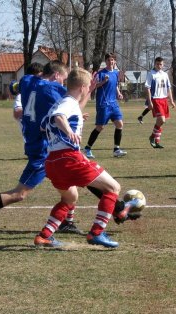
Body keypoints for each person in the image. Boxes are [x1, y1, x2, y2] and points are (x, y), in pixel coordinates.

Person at [0, 61, 85, 240]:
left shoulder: (27, 80)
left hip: (37, 145)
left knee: (73, 184)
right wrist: (90, 89)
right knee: (19, 194)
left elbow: (12, 87)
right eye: (62, 79)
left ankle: (67, 222)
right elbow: (73, 104)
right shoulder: (55, 89)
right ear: (56, 76)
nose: (62, 83)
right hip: (42, 151)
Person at [35, 68, 125, 248]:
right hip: (68, 158)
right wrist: (69, 131)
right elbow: (60, 116)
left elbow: (44, 127)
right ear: (82, 87)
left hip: (52, 161)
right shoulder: (67, 103)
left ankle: (44, 236)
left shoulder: (63, 102)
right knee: (113, 188)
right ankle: (97, 233)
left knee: (70, 199)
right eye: (87, 88)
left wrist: (73, 121)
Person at [84, 53, 127, 158]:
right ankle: (87, 148)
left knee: (119, 124)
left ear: (115, 61)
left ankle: (116, 149)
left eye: (112, 60)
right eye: (108, 60)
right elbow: (93, 87)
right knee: (100, 127)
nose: (110, 62)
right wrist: (103, 81)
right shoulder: (101, 73)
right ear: (105, 61)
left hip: (113, 103)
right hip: (103, 104)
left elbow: (115, 85)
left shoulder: (116, 73)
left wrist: (118, 93)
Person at [145, 57, 176, 148]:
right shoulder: (151, 74)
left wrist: (171, 100)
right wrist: (150, 102)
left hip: (163, 99)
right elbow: (147, 88)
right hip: (156, 99)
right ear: (155, 64)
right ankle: (152, 137)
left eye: (161, 64)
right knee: (161, 120)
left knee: (161, 121)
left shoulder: (165, 75)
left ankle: (157, 141)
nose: (159, 66)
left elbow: (168, 88)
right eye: (158, 64)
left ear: (163, 64)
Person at [9, 63, 43, 137]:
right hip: (33, 138)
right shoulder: (21, 95)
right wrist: (38, 111)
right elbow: (17, 112)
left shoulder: (42, 92)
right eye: (40, 78)